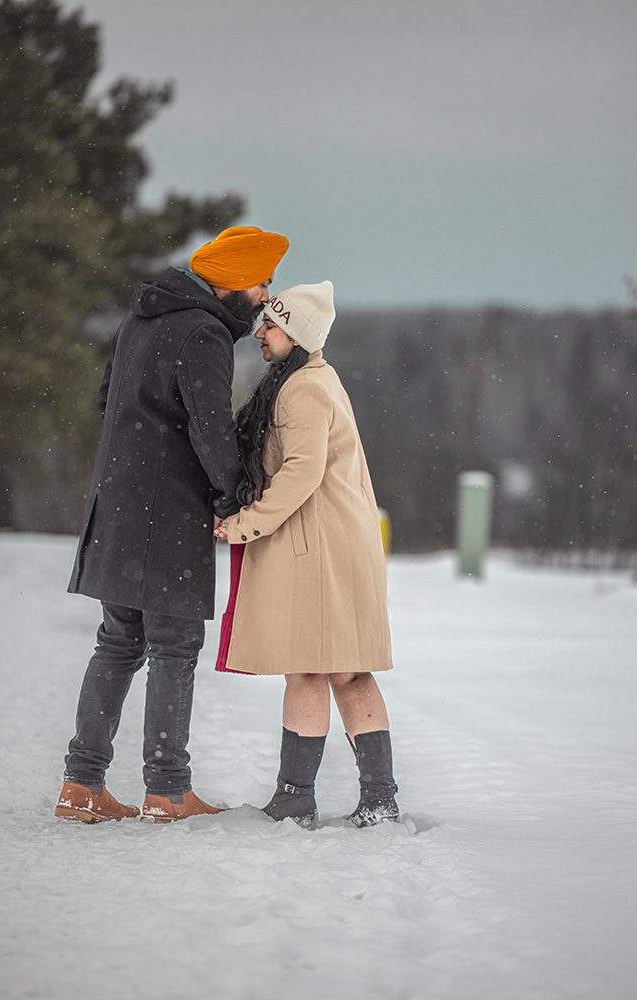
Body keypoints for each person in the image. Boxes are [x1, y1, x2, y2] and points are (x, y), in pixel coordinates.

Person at [55, 226, 289, 824]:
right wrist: (234, 497)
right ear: (234, 281)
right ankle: (167, 790)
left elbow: (107, 403)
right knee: (173, 647)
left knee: (117, 643)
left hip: (117, 505)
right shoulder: (204, 331)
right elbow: (211, 431)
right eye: (262, 283)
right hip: (169, 514)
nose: (265, 296)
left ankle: (80, 786)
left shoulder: (141, 319)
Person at [214, 281, 398, 828]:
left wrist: (245, 524)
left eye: (270, 324)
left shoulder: (302, 390)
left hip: (322, 545)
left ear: (296, 333)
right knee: (342, 671)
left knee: (319, 672)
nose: (259, 332)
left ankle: (302, 798)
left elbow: (301, 473)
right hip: (333, 541)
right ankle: (373, 798)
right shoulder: (305, 379)